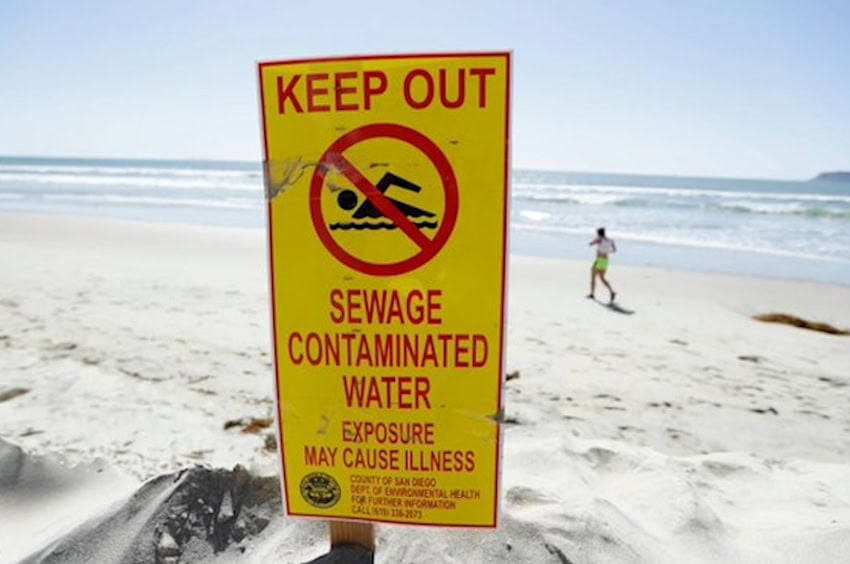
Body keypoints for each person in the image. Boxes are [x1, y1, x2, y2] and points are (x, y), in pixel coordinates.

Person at [588, 227, 617, 303]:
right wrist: (606, 250)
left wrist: (597, 241)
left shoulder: (600, 239)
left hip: (599, 260)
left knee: (593, 276)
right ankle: (612, 291)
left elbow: (590, 244)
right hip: (606, 260)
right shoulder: (611, 240)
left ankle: (592, 294)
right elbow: (614, 250)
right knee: (602, 278)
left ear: (599, 234)